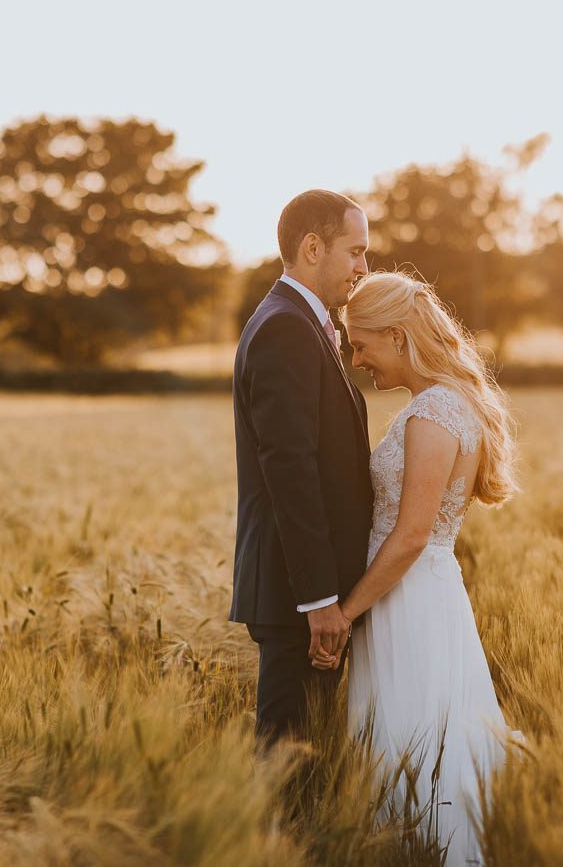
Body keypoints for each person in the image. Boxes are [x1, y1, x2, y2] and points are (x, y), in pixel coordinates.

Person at [315, 270, 520, 867]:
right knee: (418, 731)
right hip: (418, 593)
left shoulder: (434, 412)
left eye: (362, 344)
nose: (358, 359)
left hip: (406, 598)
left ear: (399, 337)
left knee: (414, 734)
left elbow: (410, 537)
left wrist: (347, 612)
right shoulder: (445, 404)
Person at [229, 189, 372, 744]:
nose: (364, 267)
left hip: (308, 596)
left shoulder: (298, 321)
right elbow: (290, 469)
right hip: (300, 601)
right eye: (355, 252)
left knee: (303, 761)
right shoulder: (287, 328)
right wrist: (319, 600)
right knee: (287, 765)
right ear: (313, 247)